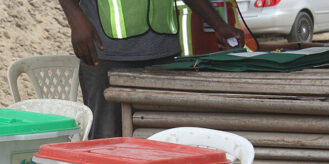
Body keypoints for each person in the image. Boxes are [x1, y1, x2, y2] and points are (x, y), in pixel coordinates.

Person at [59, 0, 245, 139]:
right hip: (109, 55)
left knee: (163, 138)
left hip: (163, 54)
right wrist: (75, 18)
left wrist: (218, 25)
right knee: (107, 141)